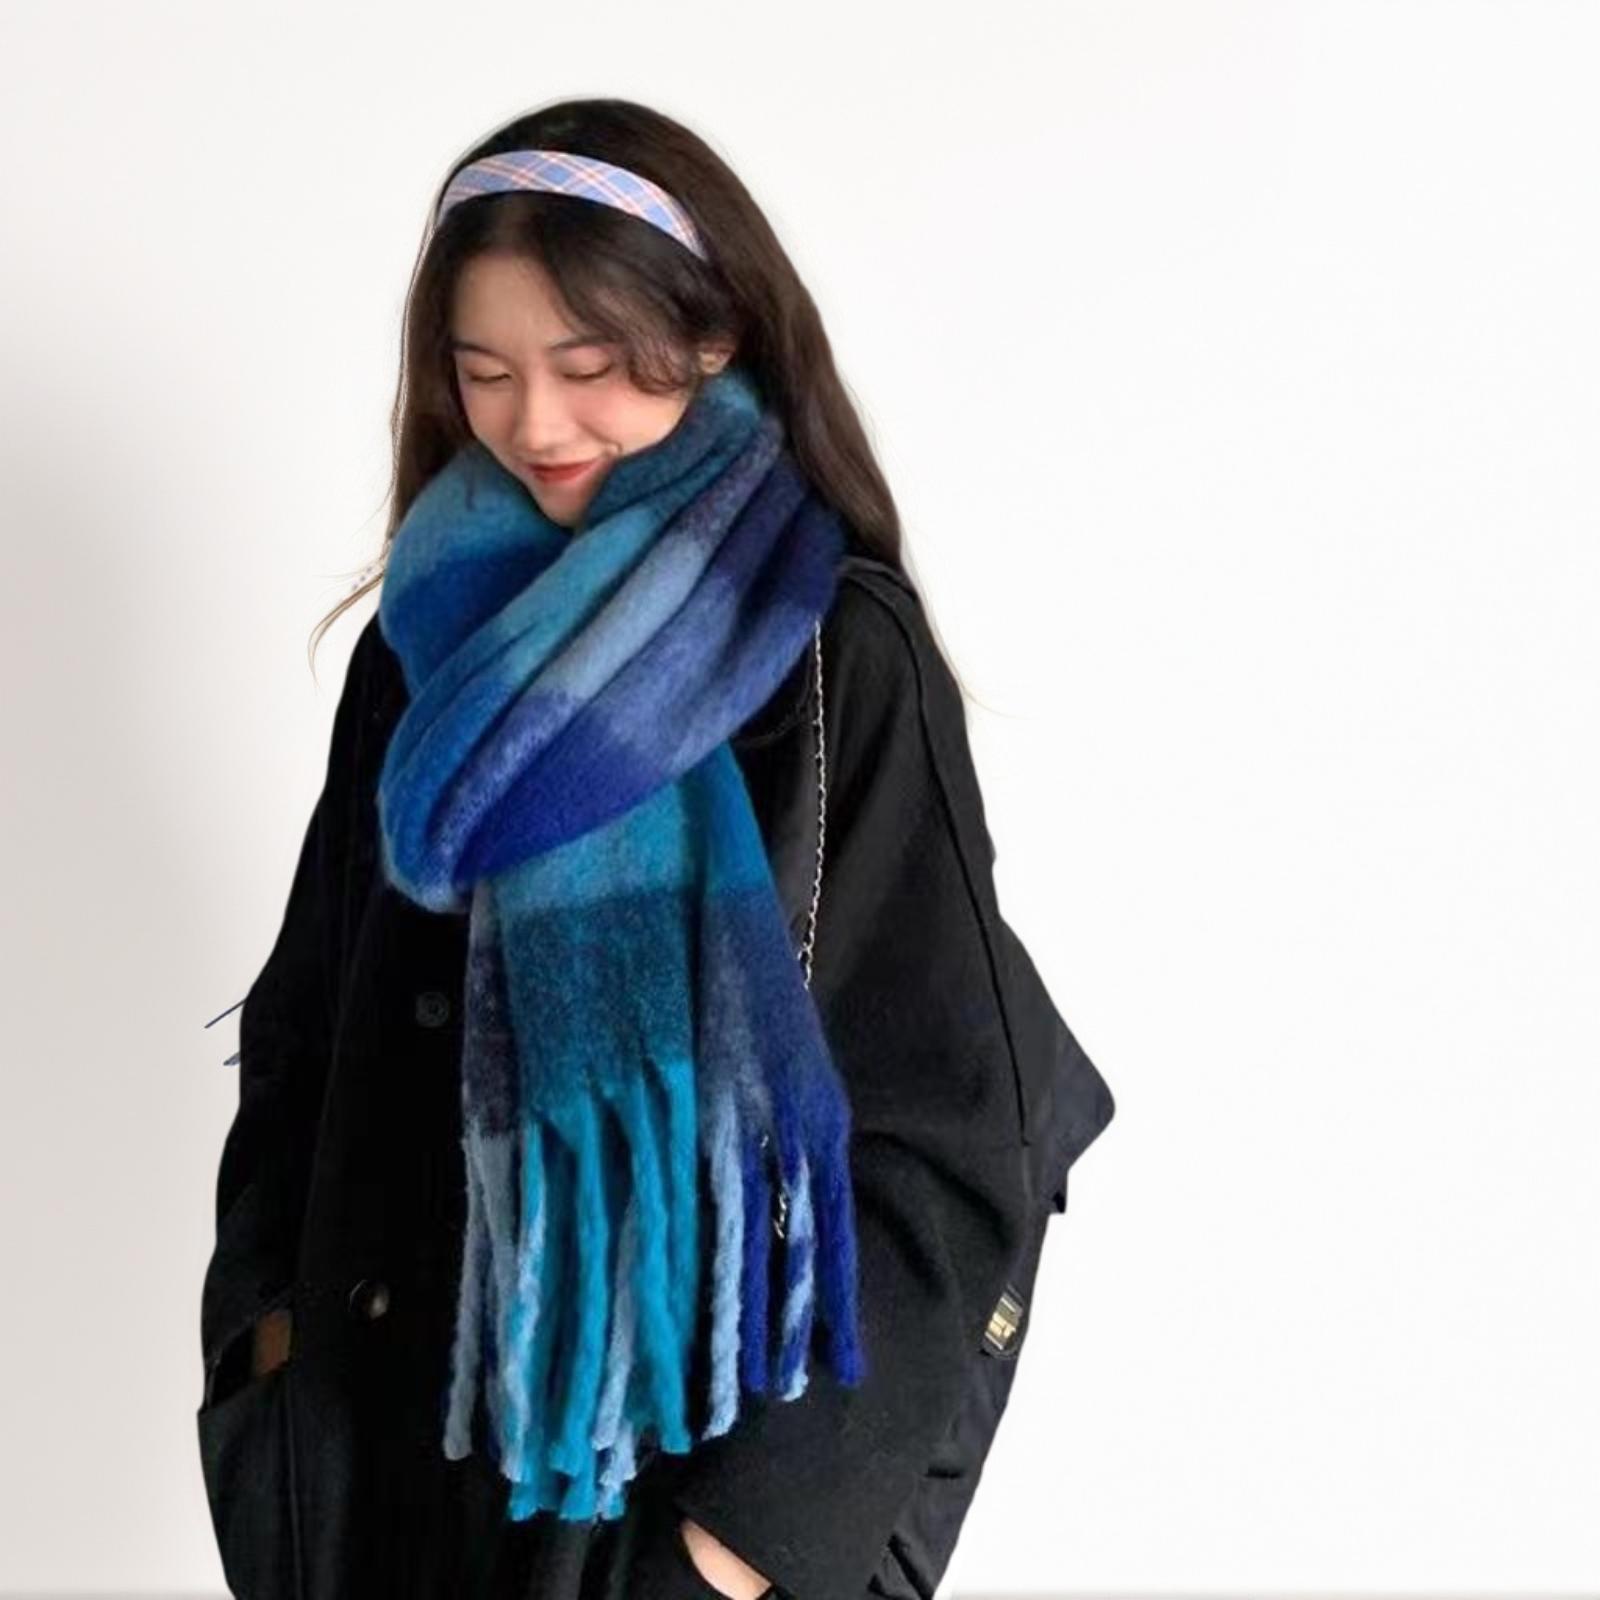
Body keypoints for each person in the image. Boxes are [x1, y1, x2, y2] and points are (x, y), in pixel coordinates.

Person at [196, 96, 1113, 1600]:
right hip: (388, 1476)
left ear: (715, 336)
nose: (536, 425)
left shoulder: (830, 649)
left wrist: (739, 1553)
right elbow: (306, 1033)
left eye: (589, 366)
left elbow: (953, 1129)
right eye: (485, 372)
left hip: (671, 1489)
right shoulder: (418, 648)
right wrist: (264, 1370)